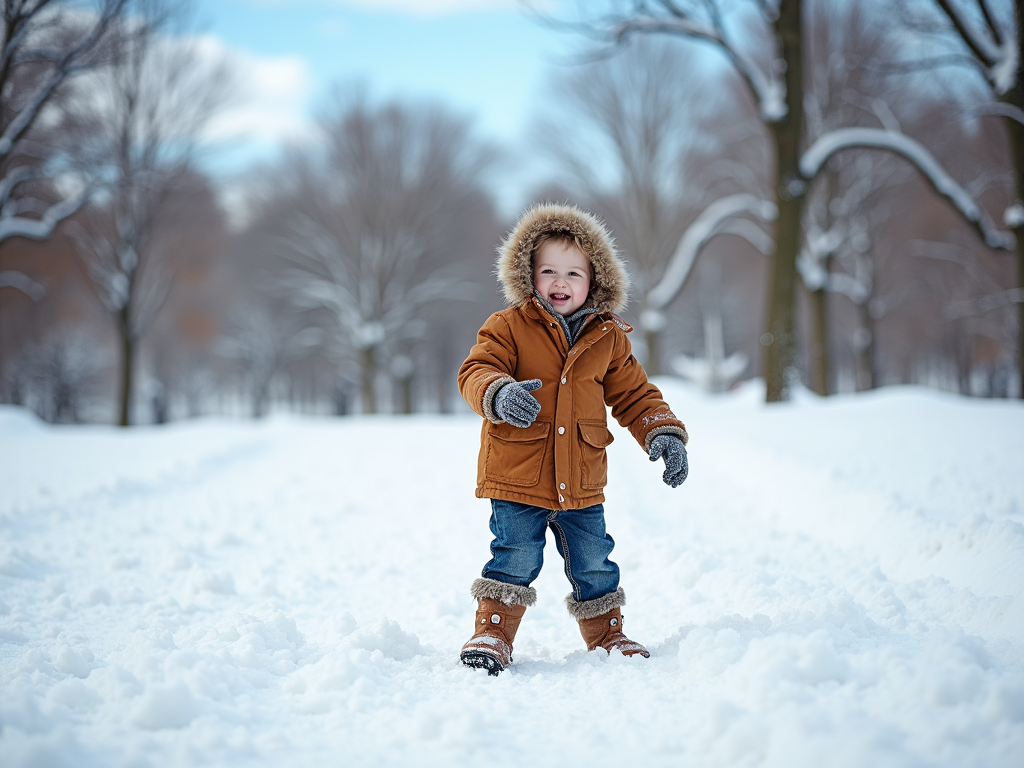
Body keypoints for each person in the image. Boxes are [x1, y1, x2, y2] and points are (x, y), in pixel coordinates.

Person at [457, 202, 689, 675]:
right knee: (514, 555)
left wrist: (662, 430)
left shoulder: (608, 337)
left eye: (573, 274)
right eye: (548, 271)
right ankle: (492, 632)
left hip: (581, 481)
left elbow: (634, 394)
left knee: (596, 561)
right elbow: (474, 370)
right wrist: (497, 393)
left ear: (595, 279)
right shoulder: (508, 326)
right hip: (518, 475)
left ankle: (608, 636)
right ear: (528, 274)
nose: (560, 283)